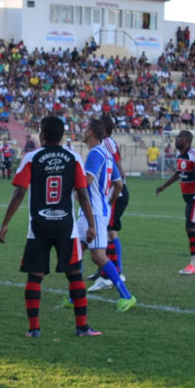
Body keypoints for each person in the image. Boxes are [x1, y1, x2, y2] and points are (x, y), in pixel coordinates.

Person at [0, 116, 101, 337]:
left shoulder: (31, 158)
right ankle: (82, 327)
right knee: (74, 275)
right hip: (66, 226)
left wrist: (5, 223)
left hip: (39, 226)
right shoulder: (74, 158)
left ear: (42, 135)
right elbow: (82, 194)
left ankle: (34, 329)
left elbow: (19, 192)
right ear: (61, 136)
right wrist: (91, 225)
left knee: (35, 276)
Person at [76, 119, 136, 312]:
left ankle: (126, 295)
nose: (83, 132)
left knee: (98, 256)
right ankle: (73, 296)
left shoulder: (95, 153)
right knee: (77, 251)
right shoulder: (107, 154)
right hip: (94, 210)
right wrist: (108, 204)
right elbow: (118, 184)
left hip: (92, 212)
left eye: (85, 129)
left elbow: (87, 180)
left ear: (91, 132)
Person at [156, 130, 195, 274]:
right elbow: (178, 173)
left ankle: (194, 264)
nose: (176, 139)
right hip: (189, 198)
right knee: (192, 228)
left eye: (179, 138)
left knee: (191, 228)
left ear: (187, 141)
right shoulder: (179, 155)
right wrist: (164, 186)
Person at [88, 116, 128, 291]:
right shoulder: (102, 146)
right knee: (105, 233)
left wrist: (109, 194)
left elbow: (120, 171)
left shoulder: (107, 143)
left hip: (113, 193)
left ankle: (114, 273)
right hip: (109, 193)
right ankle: (105, 270)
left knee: (108, 231)